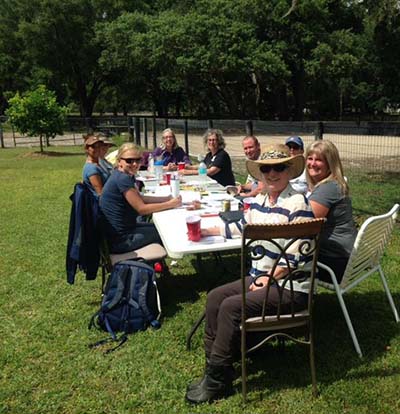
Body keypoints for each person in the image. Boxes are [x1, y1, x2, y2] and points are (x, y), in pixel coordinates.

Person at [185, 144, 314, 404]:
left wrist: (271, 277)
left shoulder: (298, 203)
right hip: (260, 279)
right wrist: (206, 231)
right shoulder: (260, 200)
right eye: (266, 168)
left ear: (289, 170)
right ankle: (216, 366)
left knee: (232, 306)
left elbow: (299, 254)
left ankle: (218, 377)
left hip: (291, 287)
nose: (272, 173)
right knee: (214, 297)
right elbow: (242, 229)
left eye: (279, 167)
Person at [99, 143, 182, 254]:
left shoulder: (123, 174)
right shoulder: (122, 178)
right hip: (121, 240)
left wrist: (167, 198)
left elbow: (139, 198)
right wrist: (170, 204)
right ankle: (151, 266)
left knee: (161, 227)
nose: (134, 164)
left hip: (126, 230)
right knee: (166, 232)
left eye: (138, 160)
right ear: (119, 161)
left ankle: (154, 265)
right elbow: (141, 209)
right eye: (129, 161)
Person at [306, 139, 357, 283]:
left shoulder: (327, 188)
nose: (312, 163)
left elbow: (304, 225)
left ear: (330, 164)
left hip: (335, 264)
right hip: (347, 258)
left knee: (282, 256)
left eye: (319, 160)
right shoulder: (335, 183)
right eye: (310, 158)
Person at [82, 134, 109, 199]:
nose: (97, 149)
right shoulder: (92, 169)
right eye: (94, 147)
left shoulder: (99, 163)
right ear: (87, 149)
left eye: (99, 146)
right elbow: (100, 193)